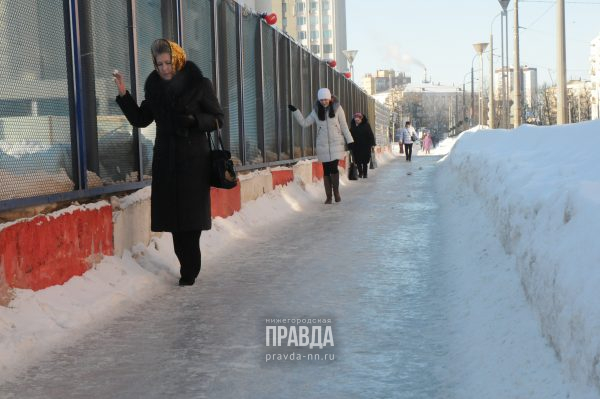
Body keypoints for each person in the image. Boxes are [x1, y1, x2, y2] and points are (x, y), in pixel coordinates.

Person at [113, 39, 224, 286]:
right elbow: (141, 120)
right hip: (166, 161)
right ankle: (186, 264)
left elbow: (218, 119)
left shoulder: (200, 85)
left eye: (168, 62)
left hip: (194, 161)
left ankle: (190, 268)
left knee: (191, 221)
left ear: (178, 59)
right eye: (159, 64)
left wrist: (194, 120)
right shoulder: (155, 90)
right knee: (174, 220)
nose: (164, 68)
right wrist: (124, 94)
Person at [288, 88, 354, 204]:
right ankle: (329, 197)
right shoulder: (316, 111)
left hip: (336, 143)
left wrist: (350, 141)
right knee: (326, 170)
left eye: (326, 99)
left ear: (330, 98)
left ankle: (336, 193)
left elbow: (344, 126)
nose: (324, 102)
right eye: (322, 100)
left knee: (333, 168)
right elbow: (304, 123)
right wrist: (296, 111)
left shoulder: (338, 108)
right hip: (322, 145)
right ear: (319, 100)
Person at [349, 112, 376, 178]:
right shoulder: (352, 125)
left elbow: (370, 135)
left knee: (364, 161)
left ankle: (365, 174)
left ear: (361, 119)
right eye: (356, 120)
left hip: (365, 146)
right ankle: (360, 173)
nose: (357, 121)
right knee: (358, 161)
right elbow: (350, 136)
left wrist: (372, 144)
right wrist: (350, 145)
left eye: (358, 120)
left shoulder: (366, 125)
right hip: (356, 146)